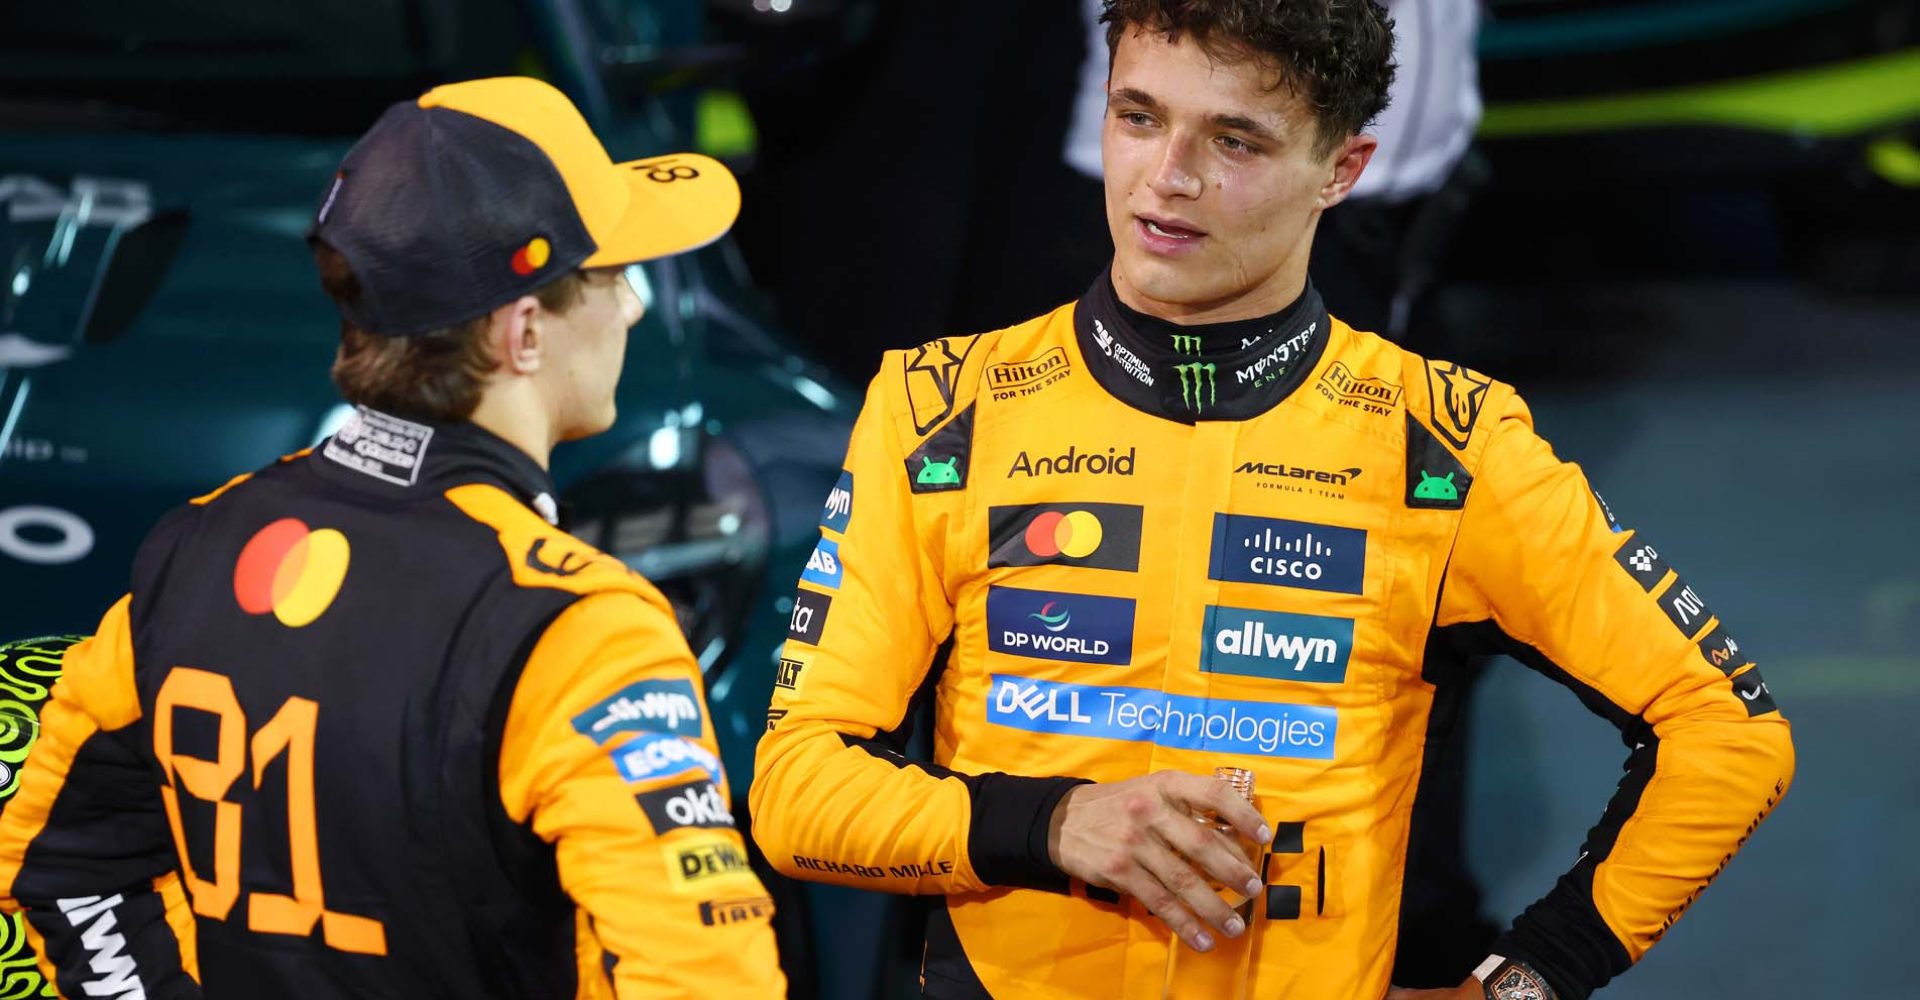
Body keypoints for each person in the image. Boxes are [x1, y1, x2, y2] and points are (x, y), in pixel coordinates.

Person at [749, 2, 1794, 998]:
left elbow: (1729, 731)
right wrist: (1056, 822)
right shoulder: (942, 406)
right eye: (1139, 117)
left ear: (1342, 171)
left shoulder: (1442, 441)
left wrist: (1526, 979)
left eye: (1236, 141)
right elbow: (793, 789)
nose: (1168, 178)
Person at [0, 77, 786, 999]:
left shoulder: (199, 548)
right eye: (611, 277)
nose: (636, 309)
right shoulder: (578, 633)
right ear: (523, 331)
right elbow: (704, 979)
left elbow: (62, 860)